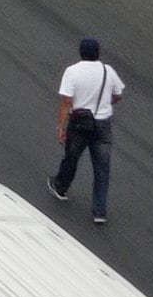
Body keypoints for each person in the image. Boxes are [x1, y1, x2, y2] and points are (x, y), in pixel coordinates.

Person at [49, 37, 124, 224]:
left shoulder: (72, 72)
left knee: (72, 157)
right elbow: (118, 94)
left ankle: (61, 187)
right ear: (98, 53)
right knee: (102, 169)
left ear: (81, 52)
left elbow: (67, 102)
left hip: (79, 124)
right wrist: (107, 102)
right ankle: (99, 211)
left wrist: (61, 127)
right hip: (103, 124)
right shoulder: (108, 71)